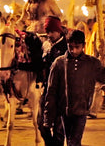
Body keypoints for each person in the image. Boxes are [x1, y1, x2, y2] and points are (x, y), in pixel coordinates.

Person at [43, 30, 105, 146]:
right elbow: (51, 92)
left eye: (77, 47)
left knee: (73, 142)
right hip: (63, 113)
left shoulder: (91, 63)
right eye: (70, 47)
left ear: (83, 46)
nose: (73, 50)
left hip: (81, 111)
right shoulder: (59, 63)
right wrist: (48, 118)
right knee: (64, 141)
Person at [38, 16, 68, 146]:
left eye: (52, 31)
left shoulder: (67, 47)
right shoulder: (45, 45)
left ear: (59, 31)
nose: (49, 35)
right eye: (47, 31)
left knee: (58, 130)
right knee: (41, 123)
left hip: (62, 93)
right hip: (46, 90)